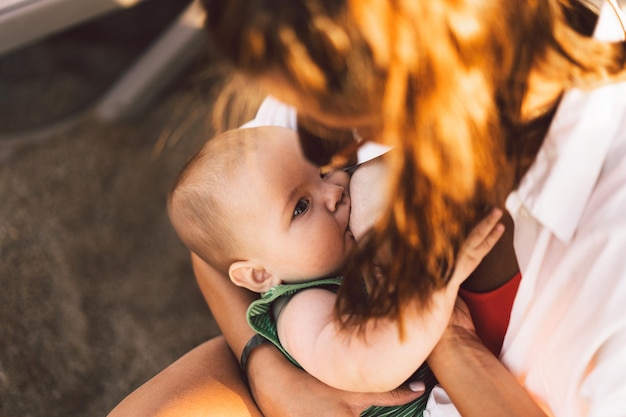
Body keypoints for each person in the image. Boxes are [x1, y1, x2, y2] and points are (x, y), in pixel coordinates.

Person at [108, 0, 626, 416]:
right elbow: (218, 249)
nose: (326, 159)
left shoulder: (607, 234)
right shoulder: (332, 31)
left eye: (342, 117)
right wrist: (274, 376)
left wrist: (447, 338)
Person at [166, 124, 505, 415]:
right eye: (301, 207)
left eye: (321, 174)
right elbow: (369, 363)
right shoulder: (302, 310)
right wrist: (439, 286)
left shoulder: (326, 241)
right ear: (259, 275)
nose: (334, 192)